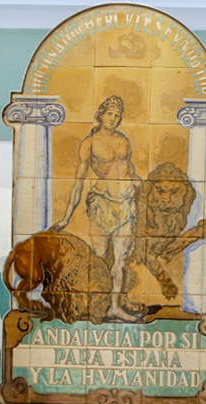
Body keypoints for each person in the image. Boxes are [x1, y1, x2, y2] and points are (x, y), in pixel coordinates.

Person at [51, 95, 143, 322]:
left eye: (117, 115)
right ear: (100, 115)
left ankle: (115, 307)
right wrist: (66, 218)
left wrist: (149, 190)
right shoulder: (89, 143)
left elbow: (131, 173)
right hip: (102, 203)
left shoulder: (123, 141)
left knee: (120, 260)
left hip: (126, 203)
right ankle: (94, 305)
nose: (113, 118)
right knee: (100, 258)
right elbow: (78, 181)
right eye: (110, 114)